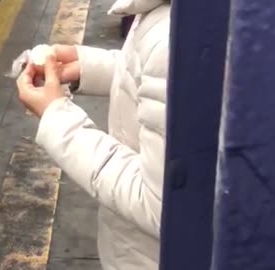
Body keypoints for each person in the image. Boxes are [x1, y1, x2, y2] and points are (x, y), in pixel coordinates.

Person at [16, 0, 171, 269]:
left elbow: (159, 205)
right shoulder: (168, 16)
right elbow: (152, 75)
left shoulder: (168, 36)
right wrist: (86, 66)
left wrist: (57, 117)